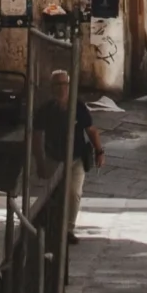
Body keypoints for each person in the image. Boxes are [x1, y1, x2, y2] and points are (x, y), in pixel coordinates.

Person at [35, 72, 103, 245]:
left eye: (64, 84)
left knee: (73, 193)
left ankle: (68, 230)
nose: (62, 88)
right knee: (53, 195)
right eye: (57, 85)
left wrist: (99, 151)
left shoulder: (78, 107)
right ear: (52, 88)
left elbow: (91, 130)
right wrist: (40, 162)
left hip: (76, 157)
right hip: (54, 157)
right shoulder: (46, 110)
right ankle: (50, 227)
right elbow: (36, 136)